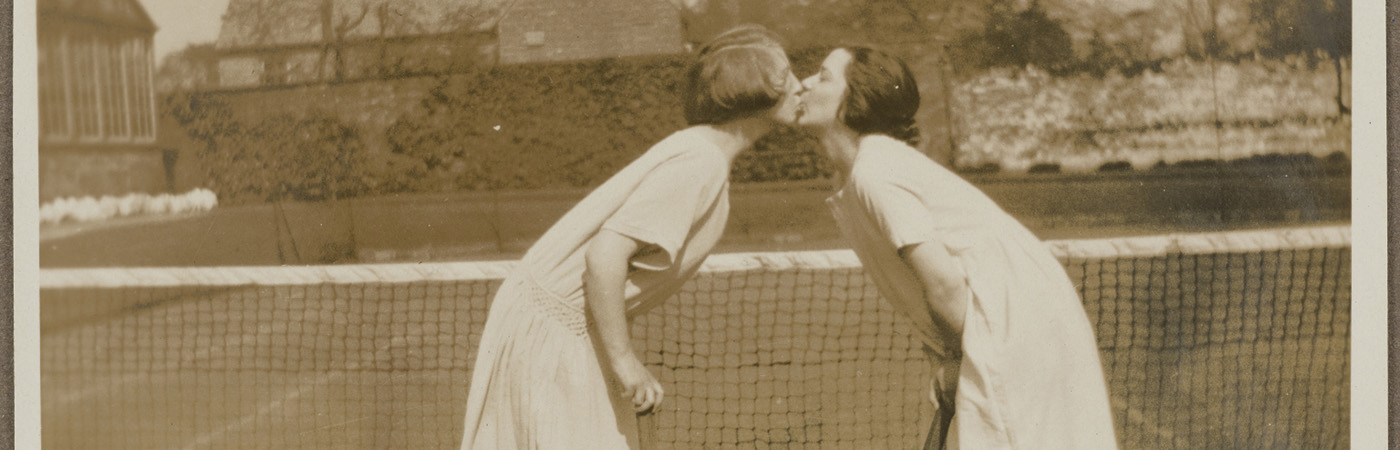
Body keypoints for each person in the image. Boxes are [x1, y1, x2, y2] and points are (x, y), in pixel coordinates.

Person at [459, 25, 802, 450]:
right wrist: (624, 361)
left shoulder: (702, 155)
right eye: (787, 76)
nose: (800, 88)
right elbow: (604, 256)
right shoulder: (701, 160)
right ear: (753, 88)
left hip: (563, 327)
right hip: (551, 331)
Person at [794, 46, 1118, 450]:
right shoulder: (868, 168)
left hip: (1016, 325)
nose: (804, 83)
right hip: (1013, 319)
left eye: (823, 76)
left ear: (857, 98)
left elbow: (945, 285)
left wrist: (954, 361)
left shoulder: (875, 172)